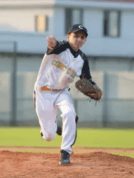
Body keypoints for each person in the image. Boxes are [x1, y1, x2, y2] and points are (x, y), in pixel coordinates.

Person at [34, 24, 102, 165]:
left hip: (62, 92)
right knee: (48, 136)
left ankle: (65, 152)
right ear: (68, 36)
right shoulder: (62, 48)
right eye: (75, 35)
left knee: (70, 113)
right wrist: (51, 41)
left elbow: (86, 79)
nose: (79, 39)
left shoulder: (83, 59)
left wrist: (94, 87)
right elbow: (53, 45)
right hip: (43, 92)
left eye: (82, 37)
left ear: (85, 40)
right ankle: (55, 128)